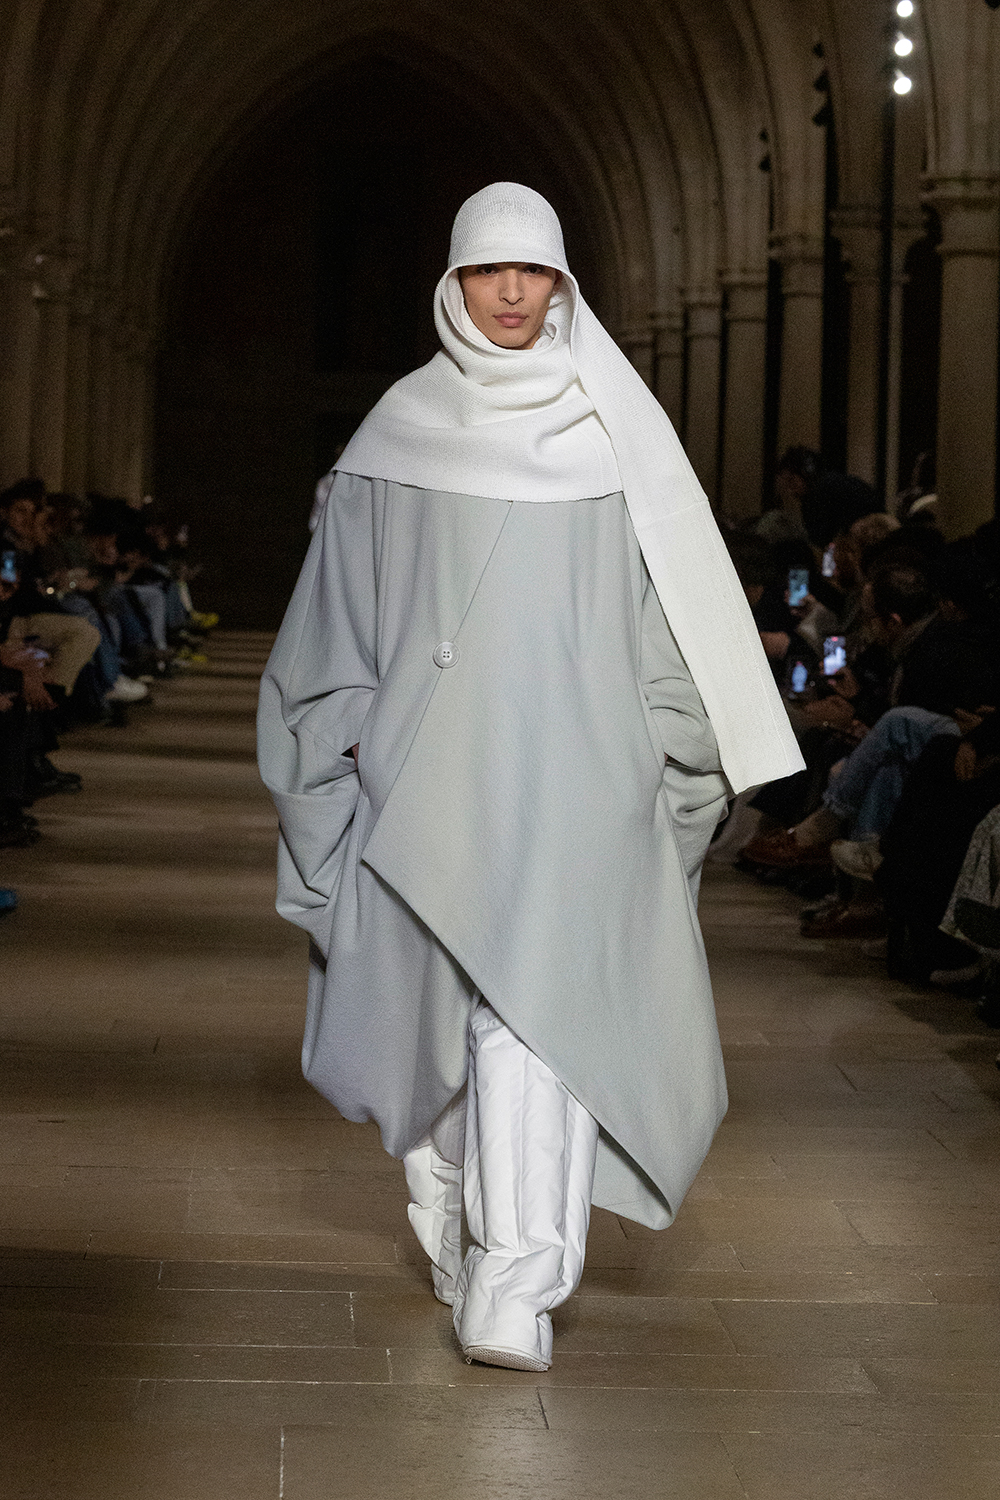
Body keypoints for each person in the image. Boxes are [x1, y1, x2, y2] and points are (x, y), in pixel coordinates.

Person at [258, 183, 802, 1372]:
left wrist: (674, 758)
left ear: (562, 283)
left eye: (533, 270)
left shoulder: (616, 436)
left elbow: (667, 617)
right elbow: (335, 626)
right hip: (430, 782)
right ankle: (457, 1215)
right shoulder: (396, 436)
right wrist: (334, 763)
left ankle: (520, 1277)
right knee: (438, 1020)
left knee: (536, 1022)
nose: (510, 292)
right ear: (450, 283)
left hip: (579, 782)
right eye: (486, 270)